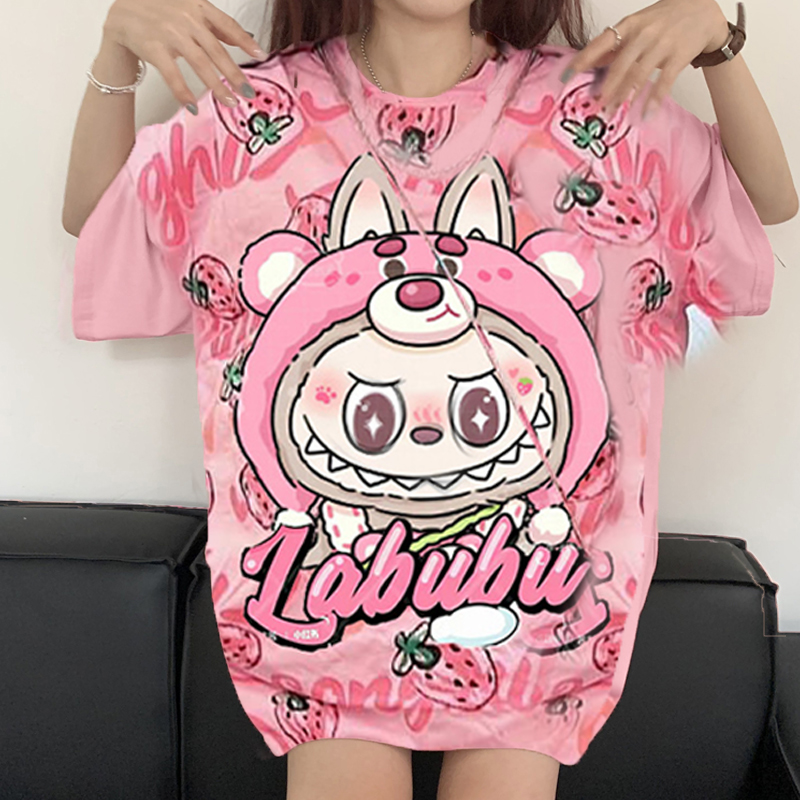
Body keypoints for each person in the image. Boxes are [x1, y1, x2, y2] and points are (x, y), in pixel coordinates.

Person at [62, 0, 796, 798]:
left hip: (538, 620)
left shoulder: (597, 114)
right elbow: (101, 224)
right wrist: (116, 54)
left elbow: (767, 202)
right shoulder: (255, 118)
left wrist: (721, 44)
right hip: (322, 621)